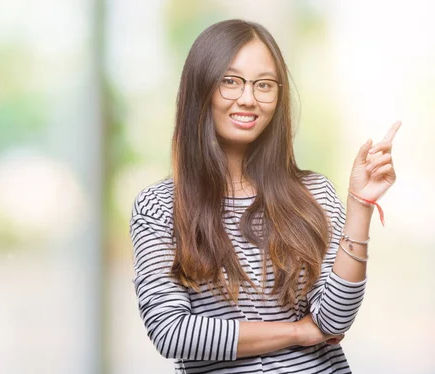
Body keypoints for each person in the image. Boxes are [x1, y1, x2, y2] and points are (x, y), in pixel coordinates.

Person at [129, 19, 400, 373]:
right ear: (201, 88)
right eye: (230, 81)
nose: (248, 98)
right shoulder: (160, 206)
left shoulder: (312, 193)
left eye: (264, 85)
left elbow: (334, 320)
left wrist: (360, 207)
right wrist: (297, 332)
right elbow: (171, 332)